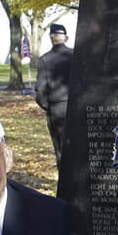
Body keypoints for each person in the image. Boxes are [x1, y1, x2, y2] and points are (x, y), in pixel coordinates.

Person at [34, 23, 74, 171]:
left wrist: (49, 105)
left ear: (51, 39)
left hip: (57, 109)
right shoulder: (76, 55)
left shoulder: (45, 59)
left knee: (61, 150)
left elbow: (40, 90)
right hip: (77, 107)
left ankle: (65, 185)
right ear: (66, 38)